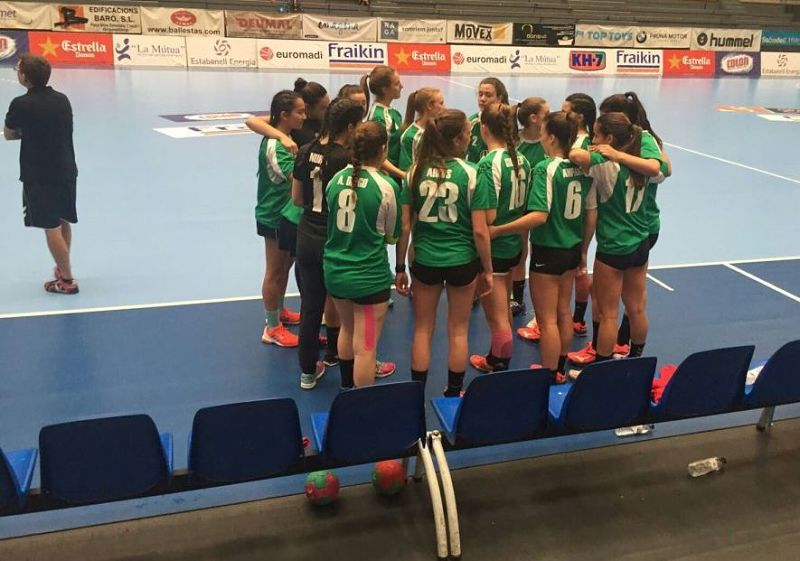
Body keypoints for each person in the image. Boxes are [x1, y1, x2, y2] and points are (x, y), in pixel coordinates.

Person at [568, 92, 671, 366]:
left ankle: (601, 368)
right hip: (640, 242)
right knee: (636, 307)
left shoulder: (604, 165)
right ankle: (636, 358)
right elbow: (662, 168)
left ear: (610, 140)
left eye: (597, 136)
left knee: (609, 312)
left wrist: (592, 150)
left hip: (614, 245)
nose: (594, 140)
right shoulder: (647, 169)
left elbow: (576, 155)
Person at [490, 111, 593, 383]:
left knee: (547, 319)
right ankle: (558, 366)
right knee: (563, 312)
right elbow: (589, 213)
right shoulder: (582, 169)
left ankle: (549, 376)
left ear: (550, 137)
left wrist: (500, 229)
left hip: (548, 251)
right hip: (571, 249)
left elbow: (539, 215)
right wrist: (583, 249)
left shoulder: (546, 169)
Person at [397, 109, 495, 396]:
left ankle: (416, 393)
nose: (470, 137)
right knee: (458, 330)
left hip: (425, 260)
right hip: (462, 262)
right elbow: (480, 231)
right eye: (467, 132)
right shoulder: (472, 173)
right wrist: (487, 270)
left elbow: (405, 226)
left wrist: (400, 267)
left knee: (422, 329)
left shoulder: (414, 172)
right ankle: (453, 392)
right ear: (455, 140)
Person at [324, 121, 401, 388]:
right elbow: (392, 235)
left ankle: (346, 389)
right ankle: (360, 407)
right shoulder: (386, 186)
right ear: (383, 149)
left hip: (335, 272)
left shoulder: (334, 181)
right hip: (369, 278)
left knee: (347, 329)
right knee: (366, 349)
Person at [292, 99, 363, 389]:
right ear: (349, 126)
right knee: (352, 307)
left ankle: (308, 371)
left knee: (311, 307)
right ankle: (358, 361)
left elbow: (297, 198)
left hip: (307, 235)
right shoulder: (347, 159)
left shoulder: (306, 151)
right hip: (335, 238)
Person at [4, 54, 79, 294]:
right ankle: (62, 266)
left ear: (25, 77)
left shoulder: (20, 104)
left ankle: (66, 281)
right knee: (63, 218)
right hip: (66, 168)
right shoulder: (62, 100)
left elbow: (9, 134)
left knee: (50, 226)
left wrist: (26, 133)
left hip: (38, 173)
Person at [469, 103, 531, 373]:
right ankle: (497, 357)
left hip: (494, 248)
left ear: (484, 128)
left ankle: (499, 367)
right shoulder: (522, 159)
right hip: (513, 244)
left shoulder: (487, 163)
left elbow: (489, 217)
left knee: (497, 320)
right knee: (502, 306)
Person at [257, 90, 305, 347]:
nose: (304, 117)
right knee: (275, 271)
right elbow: (295, 182)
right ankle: (271, 327)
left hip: (285, 215)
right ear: (284, 115)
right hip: (274, 215)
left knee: (285, 265)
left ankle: (280, 309)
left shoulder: (283, 136)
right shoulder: (278, 146)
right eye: (300, 112)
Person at [511, 97, 549, 319]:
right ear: (534, 118)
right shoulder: (516, 143)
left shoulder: (549, 141)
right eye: (547, 112)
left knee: (539, 252)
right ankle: (516, 297)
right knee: (519, 251)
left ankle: (540, 305)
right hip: (520, 205)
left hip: (544, 207)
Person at [245, 78, 329, 154]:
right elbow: (252, 121)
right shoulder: (295, 121)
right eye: (323, 108)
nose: (328, 110)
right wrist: (282, 137)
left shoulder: (323, 119)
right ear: (308, 108)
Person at [361, 65, 404, 180]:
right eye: (396, 84)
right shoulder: (379, 117)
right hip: (387, 177)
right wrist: (403, 175)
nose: (402, 86)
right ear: (384, 89)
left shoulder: (393, 112)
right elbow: (377, 155)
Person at [399, 87, 445, 171]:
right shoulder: (411, 136)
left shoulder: (441, 127)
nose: (444, 107)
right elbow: (408, 171)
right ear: (429, 106)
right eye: (441, 103)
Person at [467, 78, 509, 164]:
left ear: (499, 98)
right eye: (480, 94)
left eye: (488, 95)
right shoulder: (471, 122)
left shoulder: (509, 122)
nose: (482, 99)